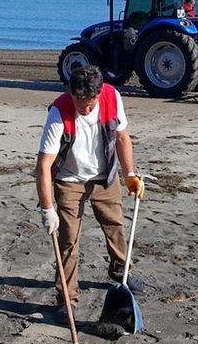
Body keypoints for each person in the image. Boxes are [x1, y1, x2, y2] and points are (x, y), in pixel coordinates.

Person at [36, 65, 145, 311]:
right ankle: (67, 297)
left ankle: (121, 272)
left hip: (105, 176)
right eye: (80, 103)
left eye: (90, 103)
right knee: (68, 240)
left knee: (115, 227)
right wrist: (47, 209)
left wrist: (129, 175)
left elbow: (122, 137)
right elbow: (43, 165)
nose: (85, 109)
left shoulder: (112, 97)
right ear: (71, 93)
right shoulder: (59, 112)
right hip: (69, 180)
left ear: (99, 93)